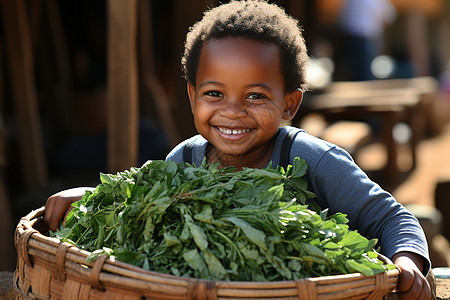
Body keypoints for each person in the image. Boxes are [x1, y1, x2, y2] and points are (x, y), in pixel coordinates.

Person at [44, 1, 431, 299]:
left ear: (289, 105)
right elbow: (142, 201)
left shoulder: (311, 160)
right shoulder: (186, 159)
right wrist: (94, 198)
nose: (232, 111)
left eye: (256, 95)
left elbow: (391, 219)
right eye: (214, 93)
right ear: (192, 96)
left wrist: (408, 262)